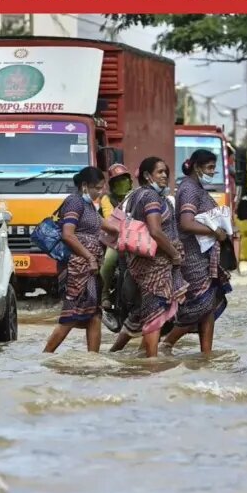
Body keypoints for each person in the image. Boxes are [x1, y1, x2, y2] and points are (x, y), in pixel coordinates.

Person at [106, 157, 187, 358]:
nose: (164, 176)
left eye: (166, 172)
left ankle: (114, 353)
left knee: (140, 312)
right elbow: (155, 231)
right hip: (154, 265)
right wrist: (175, 254)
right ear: (147, 175)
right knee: (154, 313)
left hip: (140, 263)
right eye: (160, 172)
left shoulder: (137, 195)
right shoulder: (151, 198)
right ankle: (151, 363)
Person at [164, 149, 233, 355]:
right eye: (209, 167)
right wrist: (215, 232)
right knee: (198, 306)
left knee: (208, 306)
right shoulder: (189, 189)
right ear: (196, 167)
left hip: (204, 256)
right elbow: (186, 223)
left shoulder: (197, 187)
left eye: (214, 167)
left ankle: (206, 355)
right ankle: (166, 344)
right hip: (192, 257)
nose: (213, 172)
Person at [43, 167, 108, 353]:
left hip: (90, 270)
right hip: (77, 268)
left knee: (94, 314)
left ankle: (93, 358)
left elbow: (106, 226)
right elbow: (68, 235)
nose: (100, 192)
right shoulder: (74, 202)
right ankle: (46, 356)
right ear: (85, 186)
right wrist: (89, 257)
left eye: (102, 188)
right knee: (71, 315)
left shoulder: (90, 207)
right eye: (97, 188)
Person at [98, 163, 135, 324]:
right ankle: (104, 295)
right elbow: (109, 218)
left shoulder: (135, 195)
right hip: (115, 237)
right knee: (109, 260)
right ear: (111, 184)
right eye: (117, 181)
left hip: (135, 235)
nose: (122, 183)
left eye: (124, 179)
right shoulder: (107, 199)